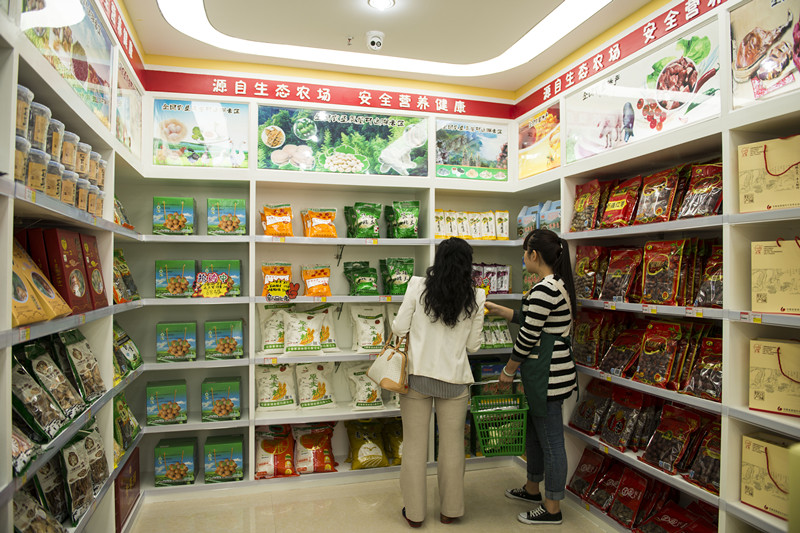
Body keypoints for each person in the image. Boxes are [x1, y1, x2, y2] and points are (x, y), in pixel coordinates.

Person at [391, 237, 486, 528]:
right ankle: (450, 510)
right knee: (453, 448)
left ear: (438, 260)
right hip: (454, 381)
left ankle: (415, 514)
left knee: (414, 447)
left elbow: (399, 328)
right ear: (467, 265)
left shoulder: (417, 286)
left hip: (417, 378)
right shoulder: (477, 296)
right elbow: (473, 347)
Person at [485, 228, 577, 526]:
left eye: (525, 252)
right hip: (549, 372)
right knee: (536, 435)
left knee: (551, 442)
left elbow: (527, 338)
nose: (523, 258)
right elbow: (534, 321)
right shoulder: (555, 284)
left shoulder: (543, 290)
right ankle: (532, 489)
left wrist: (508, 371)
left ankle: (552, 508)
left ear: (534, 254)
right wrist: (502, 310)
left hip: (548, 375)